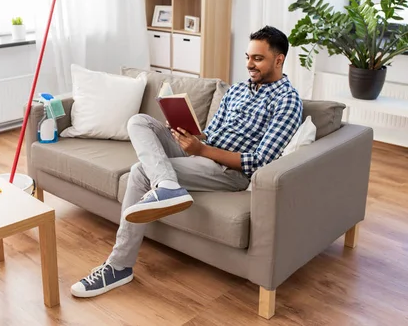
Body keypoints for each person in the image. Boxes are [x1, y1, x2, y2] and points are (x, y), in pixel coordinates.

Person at [70, 25, 303, 298]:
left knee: (139, 172)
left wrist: (201, 150)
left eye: (258, 59)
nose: (249, 64)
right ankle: (167, 183)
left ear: (279, 60)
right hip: (200, 152)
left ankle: (119, 266)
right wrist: (188, 134)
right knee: (139, 121)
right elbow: (212, 133)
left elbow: (260, 161)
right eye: (247, 57)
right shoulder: (237, 90)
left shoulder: (287, 101)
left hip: (228, 171)